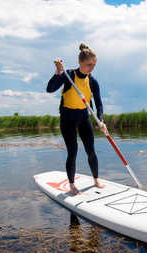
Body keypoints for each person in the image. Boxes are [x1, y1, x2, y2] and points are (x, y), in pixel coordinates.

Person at [46, 43, 106, 195]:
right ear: (80, 61)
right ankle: (72, 184)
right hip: (68, 118)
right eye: (88, 64)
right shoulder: (69, 75)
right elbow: (50, 89)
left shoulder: (93, 82)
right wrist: (58, 72)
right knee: (73, 152)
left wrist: (100, 120)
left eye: (94, 65)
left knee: (91, 151)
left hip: (84, 117)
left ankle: (96, 179)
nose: (91, 68)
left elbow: (99, 104)